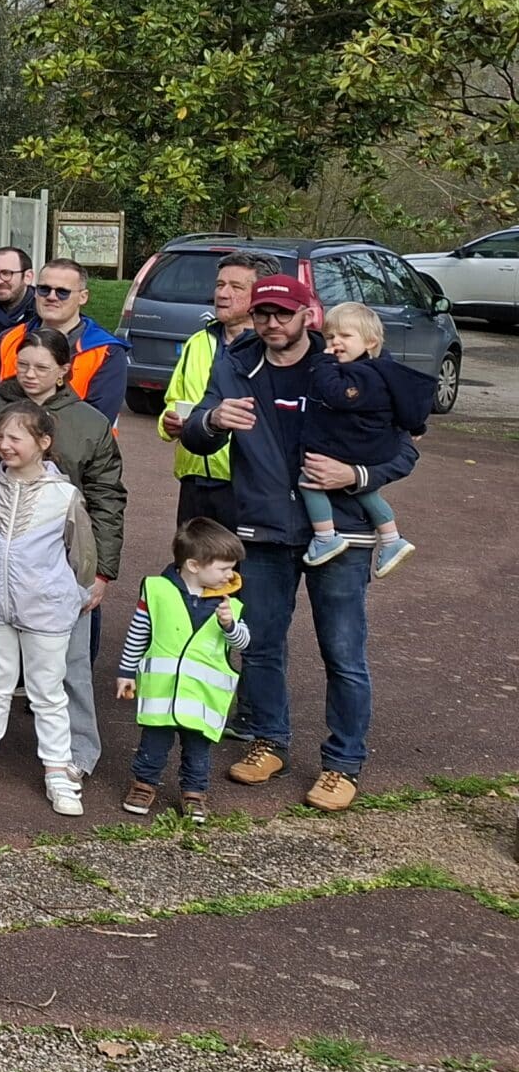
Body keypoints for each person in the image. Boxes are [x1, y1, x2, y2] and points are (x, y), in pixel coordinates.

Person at [176, 273, 406, 813]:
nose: (272, 323)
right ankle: (269, 741)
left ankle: (342, 762)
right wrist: (212, 419)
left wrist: (355, 474)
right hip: (263, 527)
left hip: (342, 532)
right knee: (260, 644)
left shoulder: (347, 361)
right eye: (263, 313)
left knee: (343, 651)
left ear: (309, 314)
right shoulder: (235, 363)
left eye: (284, 313)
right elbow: (194, 431)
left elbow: (404, 448)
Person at [0, 329, 128, 778]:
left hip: (62, 564)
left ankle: (78, 752)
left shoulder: (88, 422)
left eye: (41, 367)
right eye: (23, 364)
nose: (29, 374)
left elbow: (107, 498)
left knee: (70, 663)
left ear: (64, 370)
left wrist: (101, 571)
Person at [0, 402, 98, 815]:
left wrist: (66, 593)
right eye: (0, 437)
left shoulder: (64, 495)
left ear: (43, 442)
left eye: (15, 437)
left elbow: (82, 556)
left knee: (48, 692)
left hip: (46, 610)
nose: (4, 445)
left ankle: (57, 771)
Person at [116, 518, 250, 822]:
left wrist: (229, 625)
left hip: (202, 698)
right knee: (153, 743)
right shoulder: (157, 591)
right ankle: (143, 785)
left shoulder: (229, 603)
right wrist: (126, 672)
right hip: (161, 693)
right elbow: (138, 634)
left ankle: (194, 793)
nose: (231, 575)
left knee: (198, 750)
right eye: (224, 568)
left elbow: (244, 642)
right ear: (193, 565)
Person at [302, 301, 432, 577]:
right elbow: (403, 402)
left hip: (358, 446)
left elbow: (336, 394)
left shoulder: (361, 373)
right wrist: (416, 425)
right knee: (364, 490)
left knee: (309, 479)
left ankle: (325, 538)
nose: (335, 342)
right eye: (329, 336)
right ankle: (392, 538)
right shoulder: (386, 371)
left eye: (345, 336)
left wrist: (322, 363)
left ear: (370, 342)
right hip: (371, 448)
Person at [159, 253, 262, 528]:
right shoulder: (197, 342)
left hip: (244, 483)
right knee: (191, 555)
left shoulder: (268, 349)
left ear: (259, 296)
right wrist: (168, 423)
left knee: (237, 557)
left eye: (236, 287)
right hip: (194, 479)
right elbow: (175, 399)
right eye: (219, 285)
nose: (223, 294)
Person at [0, 257, 126, 421]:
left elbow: (97, 420)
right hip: (4, 433)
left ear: (83, 297)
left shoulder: (107, 351)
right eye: (44, 289)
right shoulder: (8, 339)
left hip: (73, 435)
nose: (51, 297)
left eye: (62, 292)